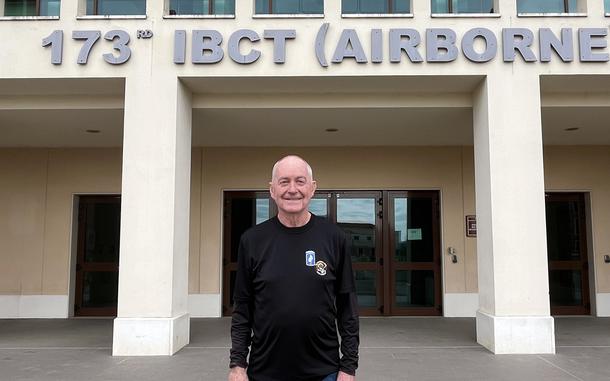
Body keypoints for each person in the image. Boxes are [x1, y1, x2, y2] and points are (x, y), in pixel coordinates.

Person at [229, 155, 360, 381]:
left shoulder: (335, 238)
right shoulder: (252, 241)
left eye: (300, 181)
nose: (292, 189)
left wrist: (348, 367)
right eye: (284, 181)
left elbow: (348, 309)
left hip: (324, 372)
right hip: (264, 373)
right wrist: (237, 365)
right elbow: (243, 310)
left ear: (312, 188)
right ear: (272, 190)